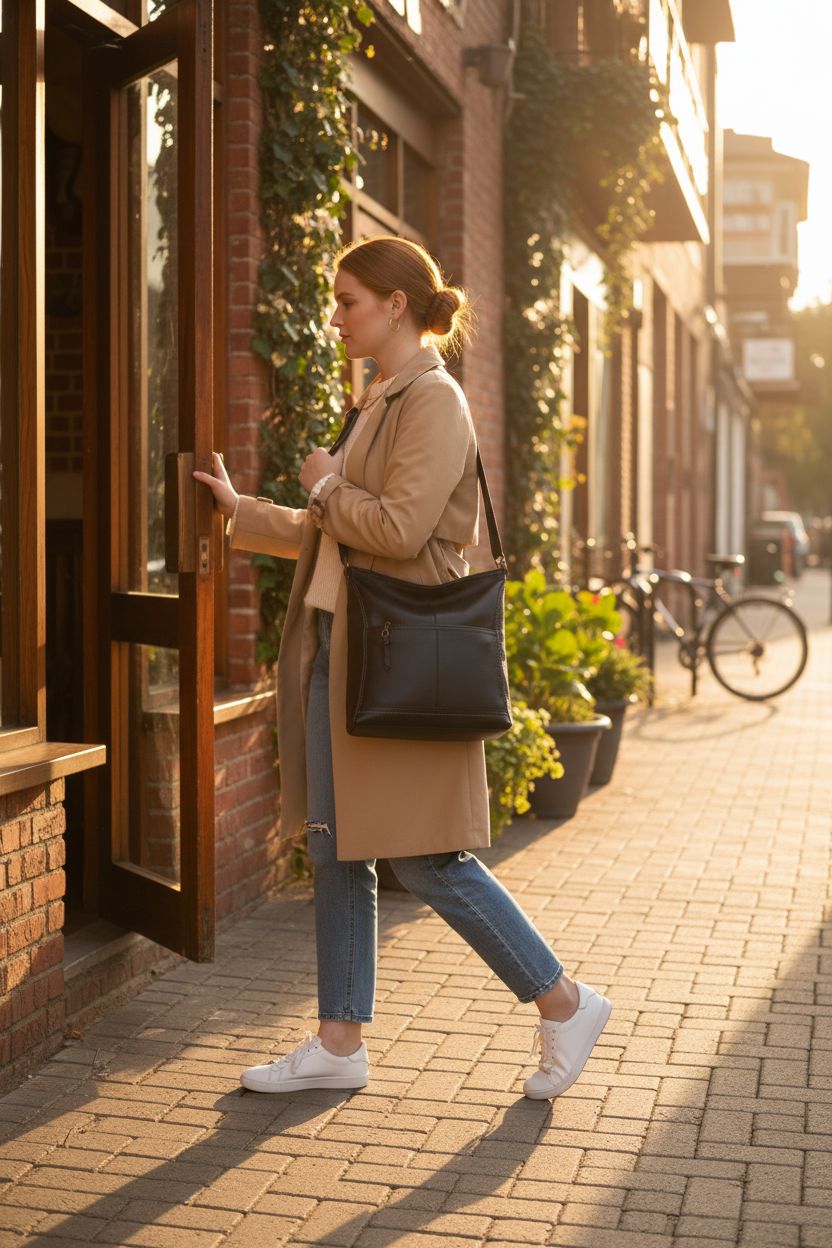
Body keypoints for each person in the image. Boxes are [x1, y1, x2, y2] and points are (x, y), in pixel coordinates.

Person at [193, 235, 612, 1100]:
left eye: (348, 300)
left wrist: (320, 485)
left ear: (394, 304)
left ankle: (564, 1001)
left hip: (393, 665)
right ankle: (339, 1041)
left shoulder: (435, 400)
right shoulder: (381, 397)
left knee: (428, 858)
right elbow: (335, 531)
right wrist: (249, 513)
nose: (336, 316)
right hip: (340, 659)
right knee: (337, 851)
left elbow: (398, 529)